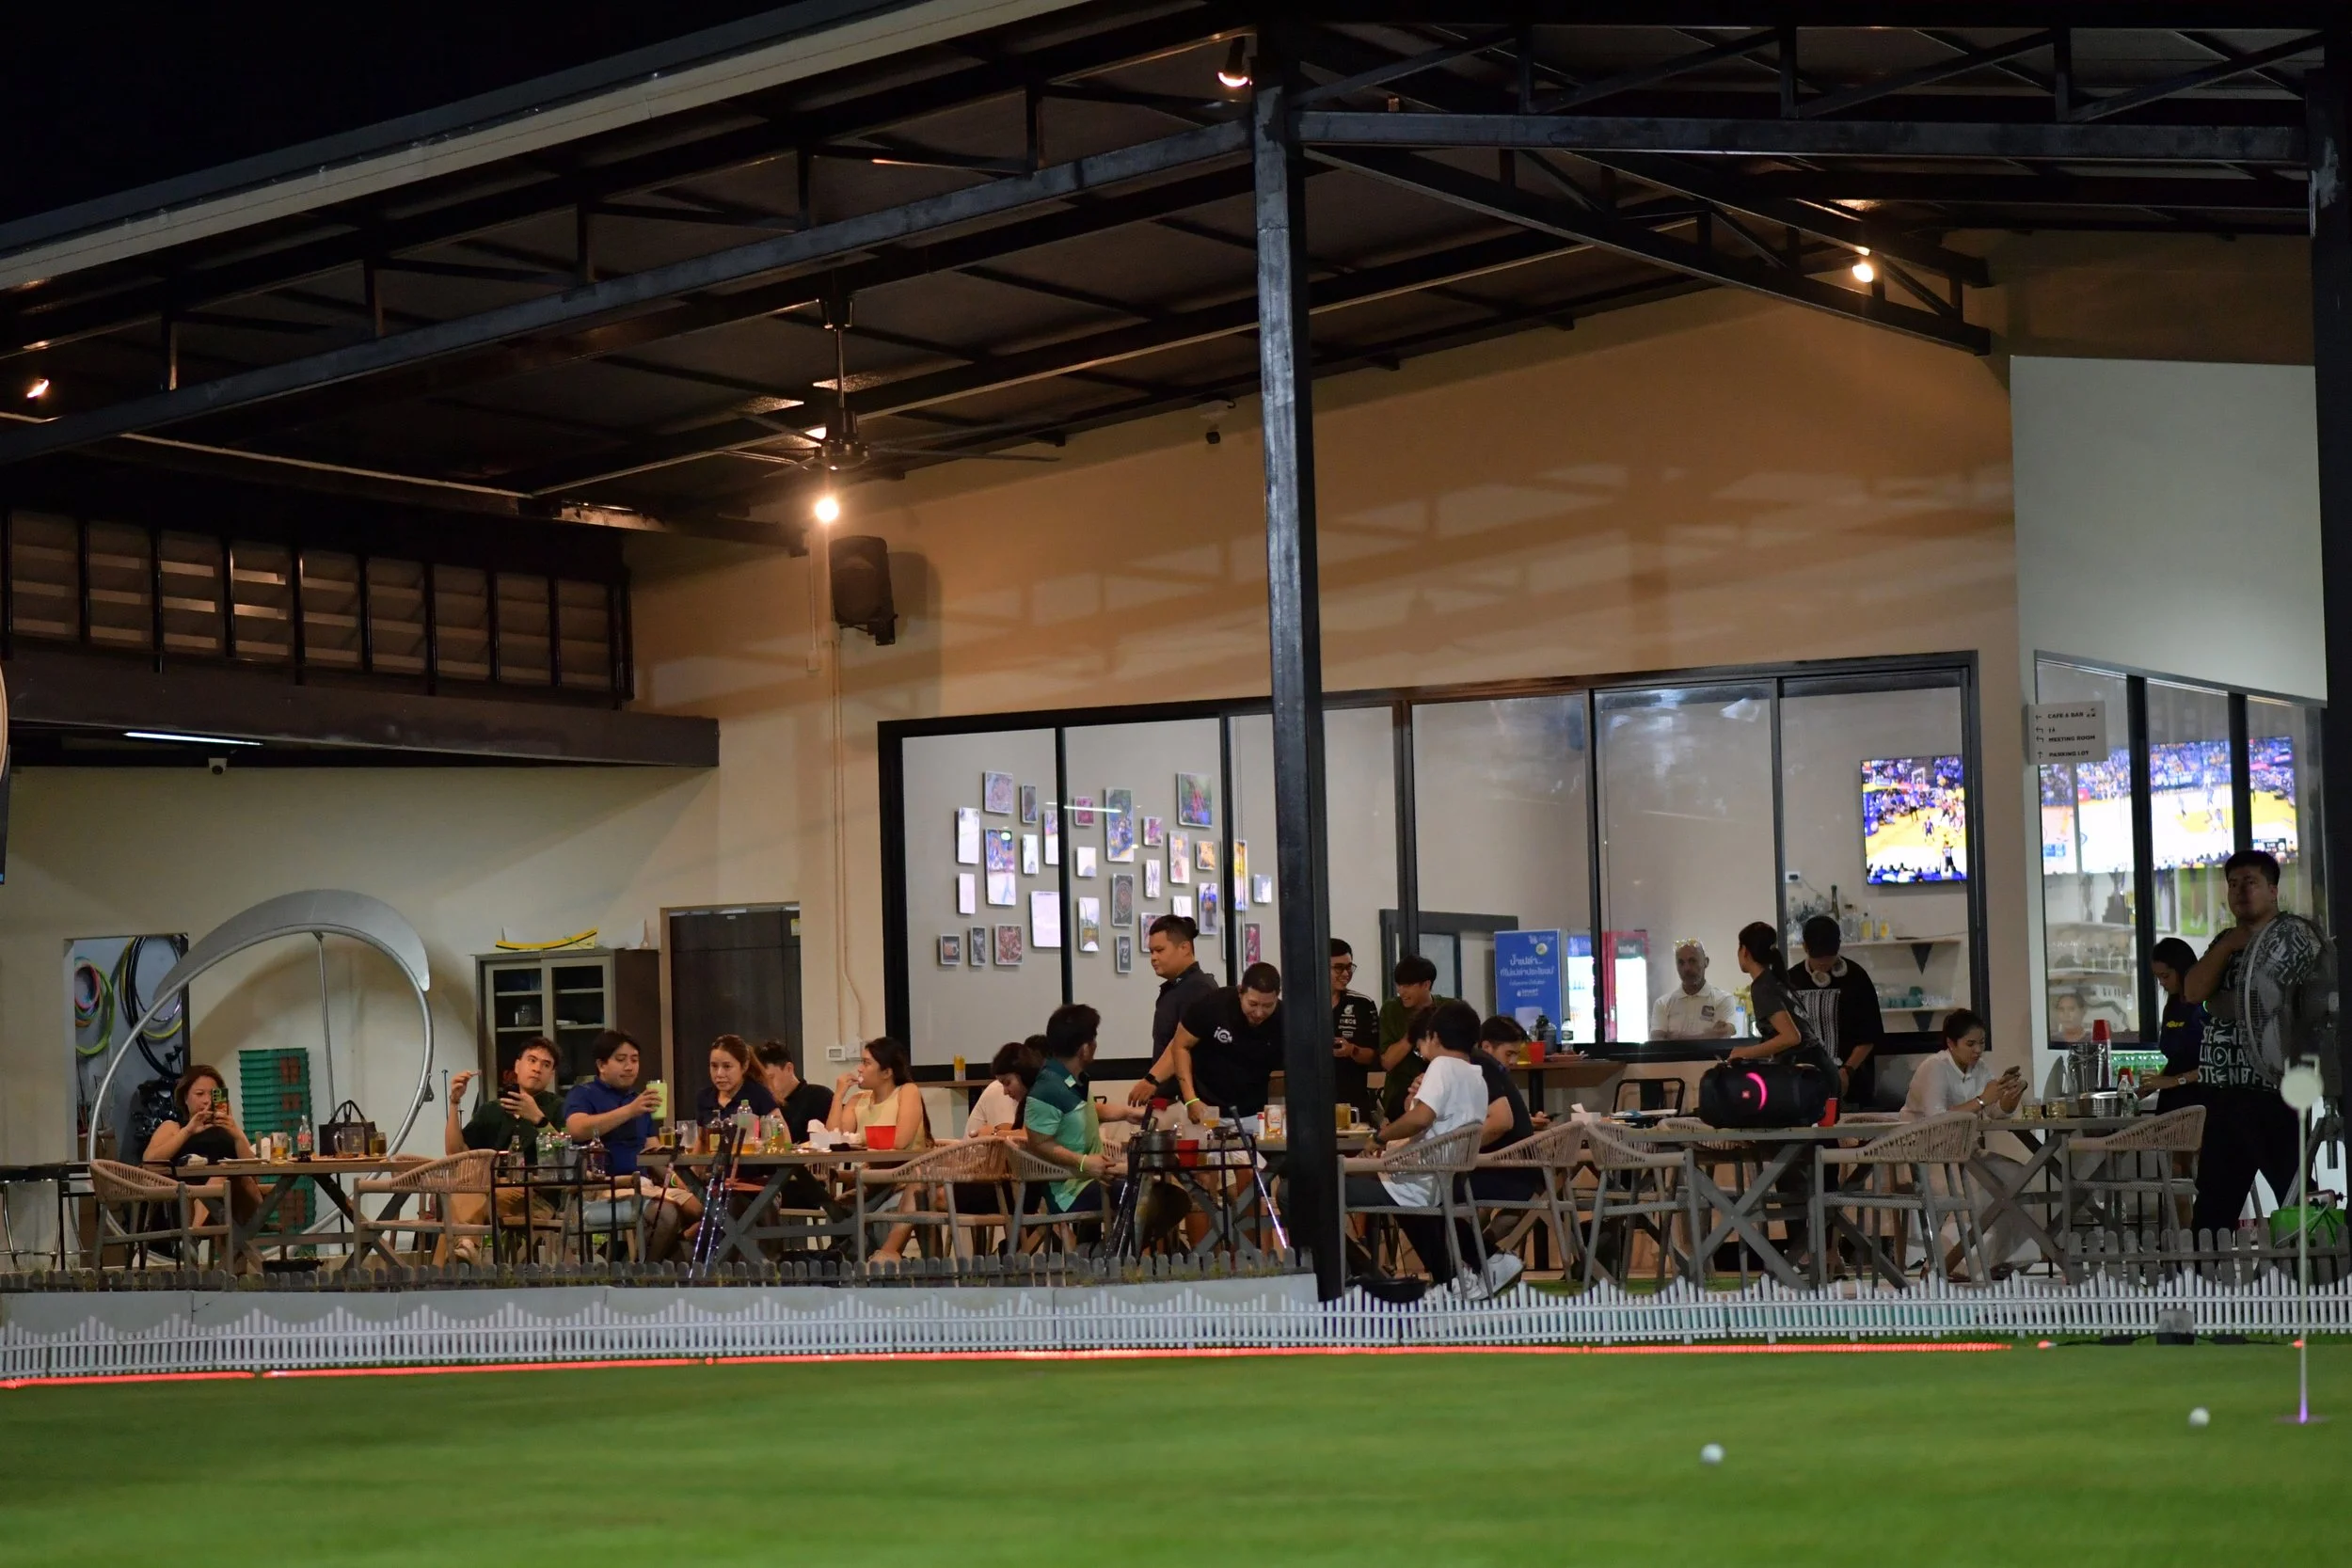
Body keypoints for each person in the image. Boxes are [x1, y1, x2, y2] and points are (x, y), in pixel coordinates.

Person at [1349, 1001, 1523, 1300]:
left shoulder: (1441, 1067)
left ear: (1434, 1036)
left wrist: (1379, 1138)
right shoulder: (1475, 1076)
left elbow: (1420, 1118)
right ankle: (1457, 1274)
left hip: (1412, 1182)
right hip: (1439, 1179)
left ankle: (1354, 1278)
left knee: (1316, 1191)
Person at [2183, 848, 2317, 1234]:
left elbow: (2276, 1000)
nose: (2240, 891)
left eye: (2251, 882)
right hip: (2223, 1091)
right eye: (2233, 884)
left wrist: (2222, 1002)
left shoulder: (2294, 937)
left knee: (2293, 1191)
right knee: (2214, 1201)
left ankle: (2313, 1279)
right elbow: (2194, 992)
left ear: (2273, 890)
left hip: (2274, 1089)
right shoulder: (2226, 939)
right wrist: (2228, 946)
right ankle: (2203, 1288)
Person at [1900, 1008, 2029, 1278]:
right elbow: (1937, 1117)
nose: (1978, 1050)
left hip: (1965, 1153)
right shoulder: (1934, 1067)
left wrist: (2009, 1096)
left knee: (2018, 1177)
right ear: (1951, 1043)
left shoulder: (1979, 1068)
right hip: (1927, 1153)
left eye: (1981, 1043)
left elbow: (1996, 1113)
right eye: (1970, 1044)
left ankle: (1998, 1260)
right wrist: (1982, 1099)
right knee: (1983, 1189)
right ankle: (1943, 1263)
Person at [563, 1030, 693, 1259]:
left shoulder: (639, 1101)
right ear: (601, 1065)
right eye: (621, 1060)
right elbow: (577, 1128)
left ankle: (627, 1260)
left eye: (634, 1060)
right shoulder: (583, 1094)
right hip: (602, 1190)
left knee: (704, 1210)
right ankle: (639, 1275)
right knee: (666, 1215)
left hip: (644, 1187)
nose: (630, 1067)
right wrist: (629, 1111)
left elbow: (654, 1155)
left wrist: (682, 1184)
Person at [445, 1037, 565, 1261]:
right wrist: (454, 1102)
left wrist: (538, 1118)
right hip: (489, 1189)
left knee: (457, 1202)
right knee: (463, 1188)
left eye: (546, 1065)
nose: (538, 1068)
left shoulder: (559, 1108)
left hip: (535, 1193)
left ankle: (452, 1266)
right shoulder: (493, 1109)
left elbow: (564, 1158)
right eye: (532, 1060)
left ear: (551, 1075)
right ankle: (464, 1249)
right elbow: (455, 1153)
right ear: (517, 1066)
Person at [1023, 1005, 1144, 1224]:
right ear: (1084, 1050)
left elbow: (1086, 1111)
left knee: (1156, 1190)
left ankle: (1105, 1252)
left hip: (1090, 1179)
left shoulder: (1070, 1079)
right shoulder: (1047, 1088)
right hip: (1068, 1190)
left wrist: (1127, 1113)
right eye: (1093, 1039)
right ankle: (1118, 1255)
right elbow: (1038, 1142)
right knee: (1146, 1196)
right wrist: (1084, 1163)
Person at [829, 1037, 932, 1262]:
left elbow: (900, 1141)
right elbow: (834, 1138)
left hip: (905, 1179)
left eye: (866, 1063)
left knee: (885, 1214)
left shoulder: (907, 1091)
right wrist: (838, 1097)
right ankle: (854, 1264)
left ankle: (882, 1262)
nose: (859, 1068)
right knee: (836, 1209)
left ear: (886, 1072)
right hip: (873, 1180)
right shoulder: (858, 1100)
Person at [141, 1063, 262, 1243]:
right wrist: (189, 1131)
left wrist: (237, 1133)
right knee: (219, 1178)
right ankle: (196, 1234)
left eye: (213, 1094)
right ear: (185, 1098)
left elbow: (254, 1172)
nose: (207, 1101)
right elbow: (149, 1161)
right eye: (199, 1094)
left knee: (231, 1177)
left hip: (235, 1200)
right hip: (186, 1200)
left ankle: (195, 1240)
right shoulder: (174, 1128)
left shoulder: (228, 1130)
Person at [1165, 963, 1286, 1121]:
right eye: (1253, 1004)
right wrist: (1191, 1099)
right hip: (1206, 1106)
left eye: (1268, 1006)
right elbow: (1181, 1046)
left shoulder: (1284, 1020)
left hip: (1255, 1112)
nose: (1259, 1013)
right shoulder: (1214, 1005)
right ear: (1240, 992)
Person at [1788, 915, 1885, 1106]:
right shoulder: (1792, 980)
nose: (1824, 965)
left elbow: (1869, 1035)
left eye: (1829, 959)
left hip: (1853, 1084)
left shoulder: (1856, 977)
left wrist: (1847, 1070)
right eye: (1819, 960)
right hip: (1803, 1083)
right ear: (1805, 948)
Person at [1128, 915, 1219, 1104]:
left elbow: (1181, 1043)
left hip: (1192, 1101)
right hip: (1170, 1098)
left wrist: (1152, 1080)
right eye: (1151, 952)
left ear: (1184, 948)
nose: (1153, 958)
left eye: (1160, 950)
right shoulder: (1175, 988)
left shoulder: (1199, 988)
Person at [1376, 955, 1454, 1122]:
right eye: (1399, 985)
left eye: (1408, 986)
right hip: (1399, 1095)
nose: (1401, 991)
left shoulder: (1449, 1008)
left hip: (1443, 1093)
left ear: (1426, 985)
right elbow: (1387, 1062)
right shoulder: (1391, 1010)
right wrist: (1414, 1033)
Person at [2142, 938, 2206, 1115]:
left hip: (2201, 1102)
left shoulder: (2206, 1006)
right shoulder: (2172, 1006)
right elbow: (2176, 1061)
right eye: (2158, 978)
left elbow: (2217, 1065)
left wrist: (2175, 1081)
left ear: (2182, 969)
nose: (2162, 983)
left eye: (2166, 976)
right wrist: (2153, 1083)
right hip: (2171, 1103)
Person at [1328, 939, 1383, 1123]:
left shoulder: (1362, 1004)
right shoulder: (1301, 1005)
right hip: (1310, 1100)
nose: (1346, 973)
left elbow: (1374, 1056)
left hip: (1351, 1100)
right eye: (1338, 968)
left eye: (1349, 967)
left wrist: (1352, 1050)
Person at [1649, 940, 1738, 1040]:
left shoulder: (1723, 999)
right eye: (1681, 962)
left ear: (1706, 962)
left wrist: (1674, 1037)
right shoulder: (1662, 1004)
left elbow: (1723, 1035)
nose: (1686, 968)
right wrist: (1708, 1036)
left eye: (1692, 961)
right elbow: (1657, 1042)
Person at [755, 1039, 834, 1142]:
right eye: (761, 1081)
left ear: (789, 1068)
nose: (766, 1085)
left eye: (771, 1078)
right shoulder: (762, 1103)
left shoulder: (820, 1096)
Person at [695, 1034, 779, 1126]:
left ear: (744, 1066)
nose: (719, 1074)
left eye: (727, 1066)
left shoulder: (759, 1095)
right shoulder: (704, 1097)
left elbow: (783, 1137)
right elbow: (700, 1139)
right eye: (714, 1066)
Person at [967, 1038, 1042, 1136]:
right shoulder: (1029, 1099)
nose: (1005, 1092)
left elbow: (1030, 1137)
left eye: (1007, 1083)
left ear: (1023, 1073)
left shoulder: (1042, 1095)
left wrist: (994, 1133)